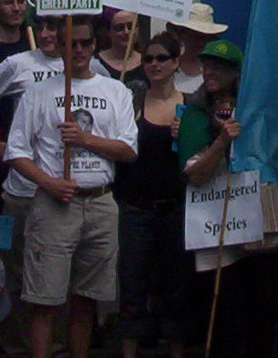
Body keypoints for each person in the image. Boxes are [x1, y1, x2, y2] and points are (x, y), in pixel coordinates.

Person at [5, 15, 138, 358]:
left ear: (94, 45)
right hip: (54, 205)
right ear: (60, 46)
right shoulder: (38, 93)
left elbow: (128, 150)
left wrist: (85, 139)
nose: (78, 50)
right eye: (71, 44)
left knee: (85, 302)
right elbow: (16, 152)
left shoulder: (115, 91)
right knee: (44, 300)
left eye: (85, 43)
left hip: (100, 204)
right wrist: (48, 182)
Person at [179, 88, 278, 358]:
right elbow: (195, 175)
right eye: (221, 112)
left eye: (232, 111)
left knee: (262, 311)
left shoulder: (261, 141)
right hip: (218, 239)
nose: (227, 116)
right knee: (224, 314)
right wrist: (221, 143)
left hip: (258, 239)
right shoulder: (202, 141)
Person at [113, 33, 189, 358]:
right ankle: (128, 352)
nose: (154, 64)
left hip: (176, 208)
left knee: (176, 286)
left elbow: (203, 156)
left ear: (175, 62)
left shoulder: (191, 105)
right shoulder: (131, 102)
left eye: (161, 58)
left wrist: (188, 136)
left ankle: (177, 351)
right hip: (135, 208)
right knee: (132, 285)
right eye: (149, 59)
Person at [164, 3, 228, 97]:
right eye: (193, 35)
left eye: (205, 36)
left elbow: (225, 108)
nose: (199, 41)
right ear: (181, 34)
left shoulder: (218, 72)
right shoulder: (166, 66)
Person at [98, 11, 142, 80]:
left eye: (131, 26)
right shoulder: (96, 64)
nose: (126, 32)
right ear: (108, 32)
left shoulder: (148, 61)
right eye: (119, 28)